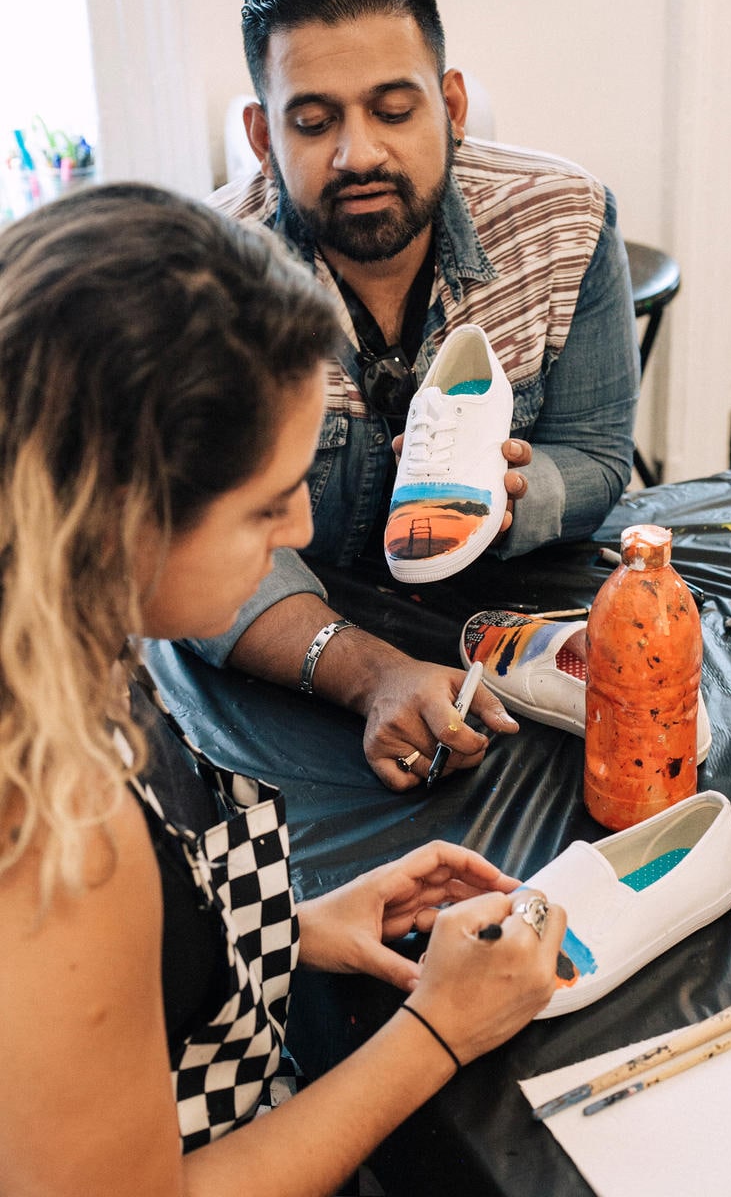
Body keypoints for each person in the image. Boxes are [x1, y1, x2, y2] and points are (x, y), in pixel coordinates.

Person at [0, 183, 565, 1196]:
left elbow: (86, 1009)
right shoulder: (51, 827)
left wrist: (281, 927)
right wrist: (437, 1031)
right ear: (120, 519)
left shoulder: (56, 628)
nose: (300, 530)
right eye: (266, 508)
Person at [151, 0, 639, 795]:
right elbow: (194, 551)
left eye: (394, 110)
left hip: (515, 618)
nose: (359, 153)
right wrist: (371, 673)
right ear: (262, 136)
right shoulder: (200, 283)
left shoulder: (565, 221)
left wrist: (510, 496)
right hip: (276, 665)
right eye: (313, 123)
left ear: (449, 107)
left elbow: (595, 452)